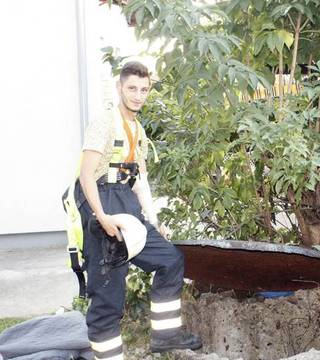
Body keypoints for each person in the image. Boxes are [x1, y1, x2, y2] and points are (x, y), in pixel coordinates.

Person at [76, 61, 202, 360]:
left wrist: (154, 221)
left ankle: (165, 335)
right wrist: (101, 216)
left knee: (170, 260)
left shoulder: (139, 130)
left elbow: (140, 181)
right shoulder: (105, 122)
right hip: (102, 202)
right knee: (108, 293)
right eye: (132, 88)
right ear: (120, 87)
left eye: (144, 90)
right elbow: (86, 175)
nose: (138, 95)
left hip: (127, 203)